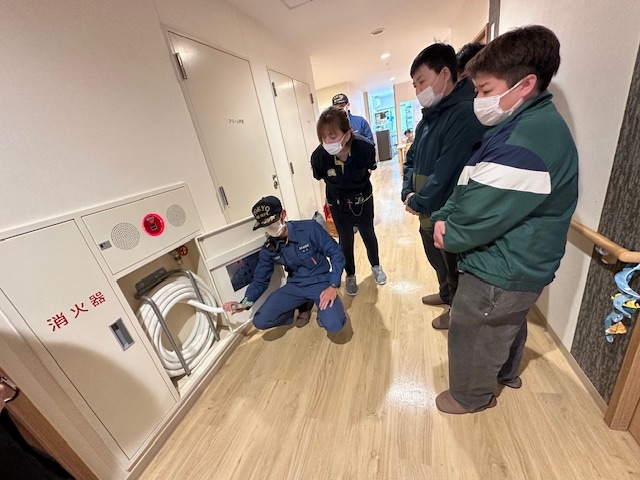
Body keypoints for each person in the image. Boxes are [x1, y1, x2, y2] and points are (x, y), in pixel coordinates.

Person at [430, 25, 579, 414]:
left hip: (503, 266)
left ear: (525, 84)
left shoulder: (525, 141)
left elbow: (477, 214)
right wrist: (445, 214)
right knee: (505, 324)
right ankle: (506, 374)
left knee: (475, 328)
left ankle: (471, 396)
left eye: (485, 91)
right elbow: (470, 182)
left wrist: (448, 230)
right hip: (516, 262)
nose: (478, 101)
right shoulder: (519, 125)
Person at [401, 43, 487, 328]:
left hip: (445, 213)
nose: (418, 90)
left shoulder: (463, 114)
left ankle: (456, 312)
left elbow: (446, 172)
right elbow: (411, 159)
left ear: (445, 74)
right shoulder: (428, 118)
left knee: (453, 265)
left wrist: (416, 201)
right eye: (415, 85)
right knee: (436, 260)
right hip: (424, 210)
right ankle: (445, 294)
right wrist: (407, 191)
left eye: (421, 81)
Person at [223, 196, 347, 333]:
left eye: (272, 222)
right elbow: (259, 280)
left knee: (334, 324)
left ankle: (321, 313)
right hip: (295, 286)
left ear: (283, 214)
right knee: (260, 320)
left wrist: (333, 285)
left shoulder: (309, 229)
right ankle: (300, 307)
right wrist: (244, 303)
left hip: (320, 282)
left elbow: (336, 253)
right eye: (265, 226)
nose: (270, 228)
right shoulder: (269, 248)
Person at [311, 106, 387, 296]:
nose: (328, 142)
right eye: (323, 137)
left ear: (347, 133)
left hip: (363, 199)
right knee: (345, 240)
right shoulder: (319, 157)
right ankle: (350, 275)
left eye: (333, 136)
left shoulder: (365, 148)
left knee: (368, 233)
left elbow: (370, 168)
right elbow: (320, 177)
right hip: (338, 203)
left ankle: (376, 266)